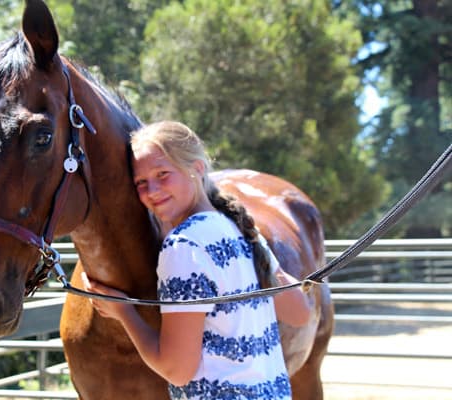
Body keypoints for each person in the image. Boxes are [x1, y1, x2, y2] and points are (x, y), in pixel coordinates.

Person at [82, 121, 312, 399]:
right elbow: (299, 312)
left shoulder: (184, 247)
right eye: (141, 183)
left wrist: (123, 312)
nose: (152, 190)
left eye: (163, 174)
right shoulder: (239, 228)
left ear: (197, 169)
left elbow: (177, 370)